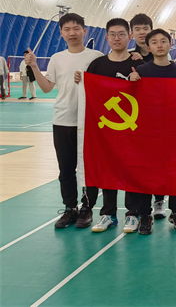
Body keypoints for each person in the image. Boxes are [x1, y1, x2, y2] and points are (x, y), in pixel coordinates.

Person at [25, 13, 104, 228]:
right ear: (60, 33)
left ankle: (87, 208)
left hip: (89, 122)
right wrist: (34, 67)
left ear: (84, 31)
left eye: (76, 28)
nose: (72, 33)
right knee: (66, 169)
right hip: (62, 120)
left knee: (88, 169)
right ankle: (70, 208)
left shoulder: (97, 57)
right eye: (67, 29)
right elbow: (46, 88)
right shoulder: (57, 58)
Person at [74, 18, 146, 234]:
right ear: (106, 37)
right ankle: (108, 213)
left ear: (129, 37)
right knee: (108, 168)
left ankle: (133, 214)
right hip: (106, 130)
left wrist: (140, 80)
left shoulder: (139, 65)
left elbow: (149, 95)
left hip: (132, 130)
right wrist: (81, 80)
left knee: (131, 169)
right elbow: (90, 93)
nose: (117, 38)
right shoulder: (97, 65)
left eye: (121, 34)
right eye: (112, 34)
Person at [130, 28, 176, 235]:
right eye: (154, 42)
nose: (159, 45)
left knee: (175, 173)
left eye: (163, 41)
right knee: (146, 173)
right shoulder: (141, 71)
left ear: (170, 45)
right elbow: (132, 100)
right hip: (148, 132)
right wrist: (131, 83)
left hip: (174, 132)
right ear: (148, 47)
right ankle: (145, 214)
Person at [128, 13, 167, 218]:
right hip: (139, 121)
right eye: (137, 29)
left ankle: (160, 199)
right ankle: (137, 208)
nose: (142, 32)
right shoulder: (128, 57)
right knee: (140, 165)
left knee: (162, 162)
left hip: (163, 121)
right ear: (132, 33)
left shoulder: (162, 55)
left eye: (145, 28)